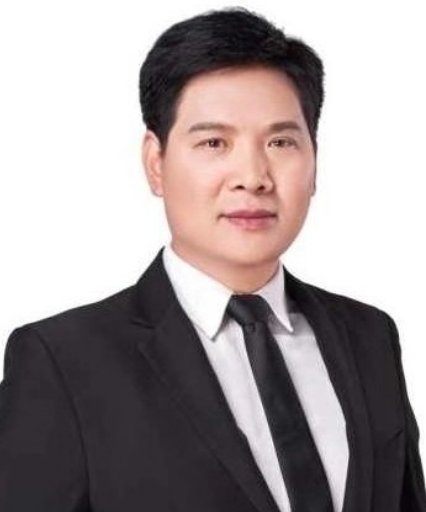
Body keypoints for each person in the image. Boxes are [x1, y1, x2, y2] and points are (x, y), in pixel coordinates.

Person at [0, 6, 425, 512]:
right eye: (214, 142)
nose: (253, 177)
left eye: (281, 141)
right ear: (155, 163)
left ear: (314, 161)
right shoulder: (63, 361)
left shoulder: (370, 337)